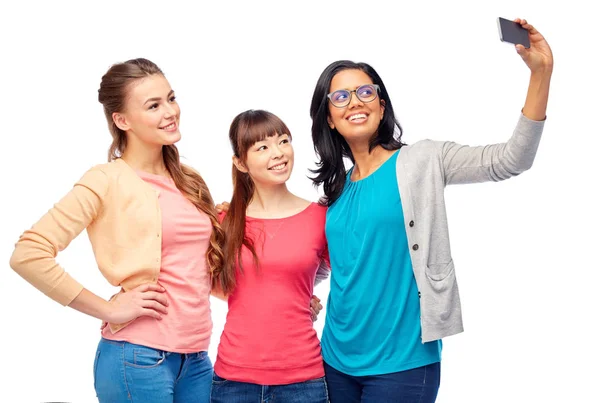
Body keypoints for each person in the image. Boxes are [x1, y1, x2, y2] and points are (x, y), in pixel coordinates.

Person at [308, 19, 553, 402]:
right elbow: (324, 264)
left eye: (365, 92)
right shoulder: (335, 191)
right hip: (335, 361)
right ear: (328, 117)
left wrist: (541, 73)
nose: (354, 102)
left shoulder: (422, 161)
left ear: (382, 103)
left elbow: (510, 160)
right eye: (340, 97)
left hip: (403, 365)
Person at [9, 58, 224, 403]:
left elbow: (198, 273)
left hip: (196, 359)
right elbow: (28, 254)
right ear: (122, 120)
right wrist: (109, 310)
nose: (170, 111)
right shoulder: (106, 180)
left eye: (170, 98)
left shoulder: (189, 180)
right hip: (137, 358)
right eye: (153, 105)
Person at [210, 110, 330, 403]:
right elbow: (210, 281)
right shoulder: (223, 219)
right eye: (262, 147)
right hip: (233, 381)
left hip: (304, 380)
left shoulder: (321, 218)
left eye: (283, 141)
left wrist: (300, 297)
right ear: (240, 162)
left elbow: (324, 273)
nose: (278, 153)